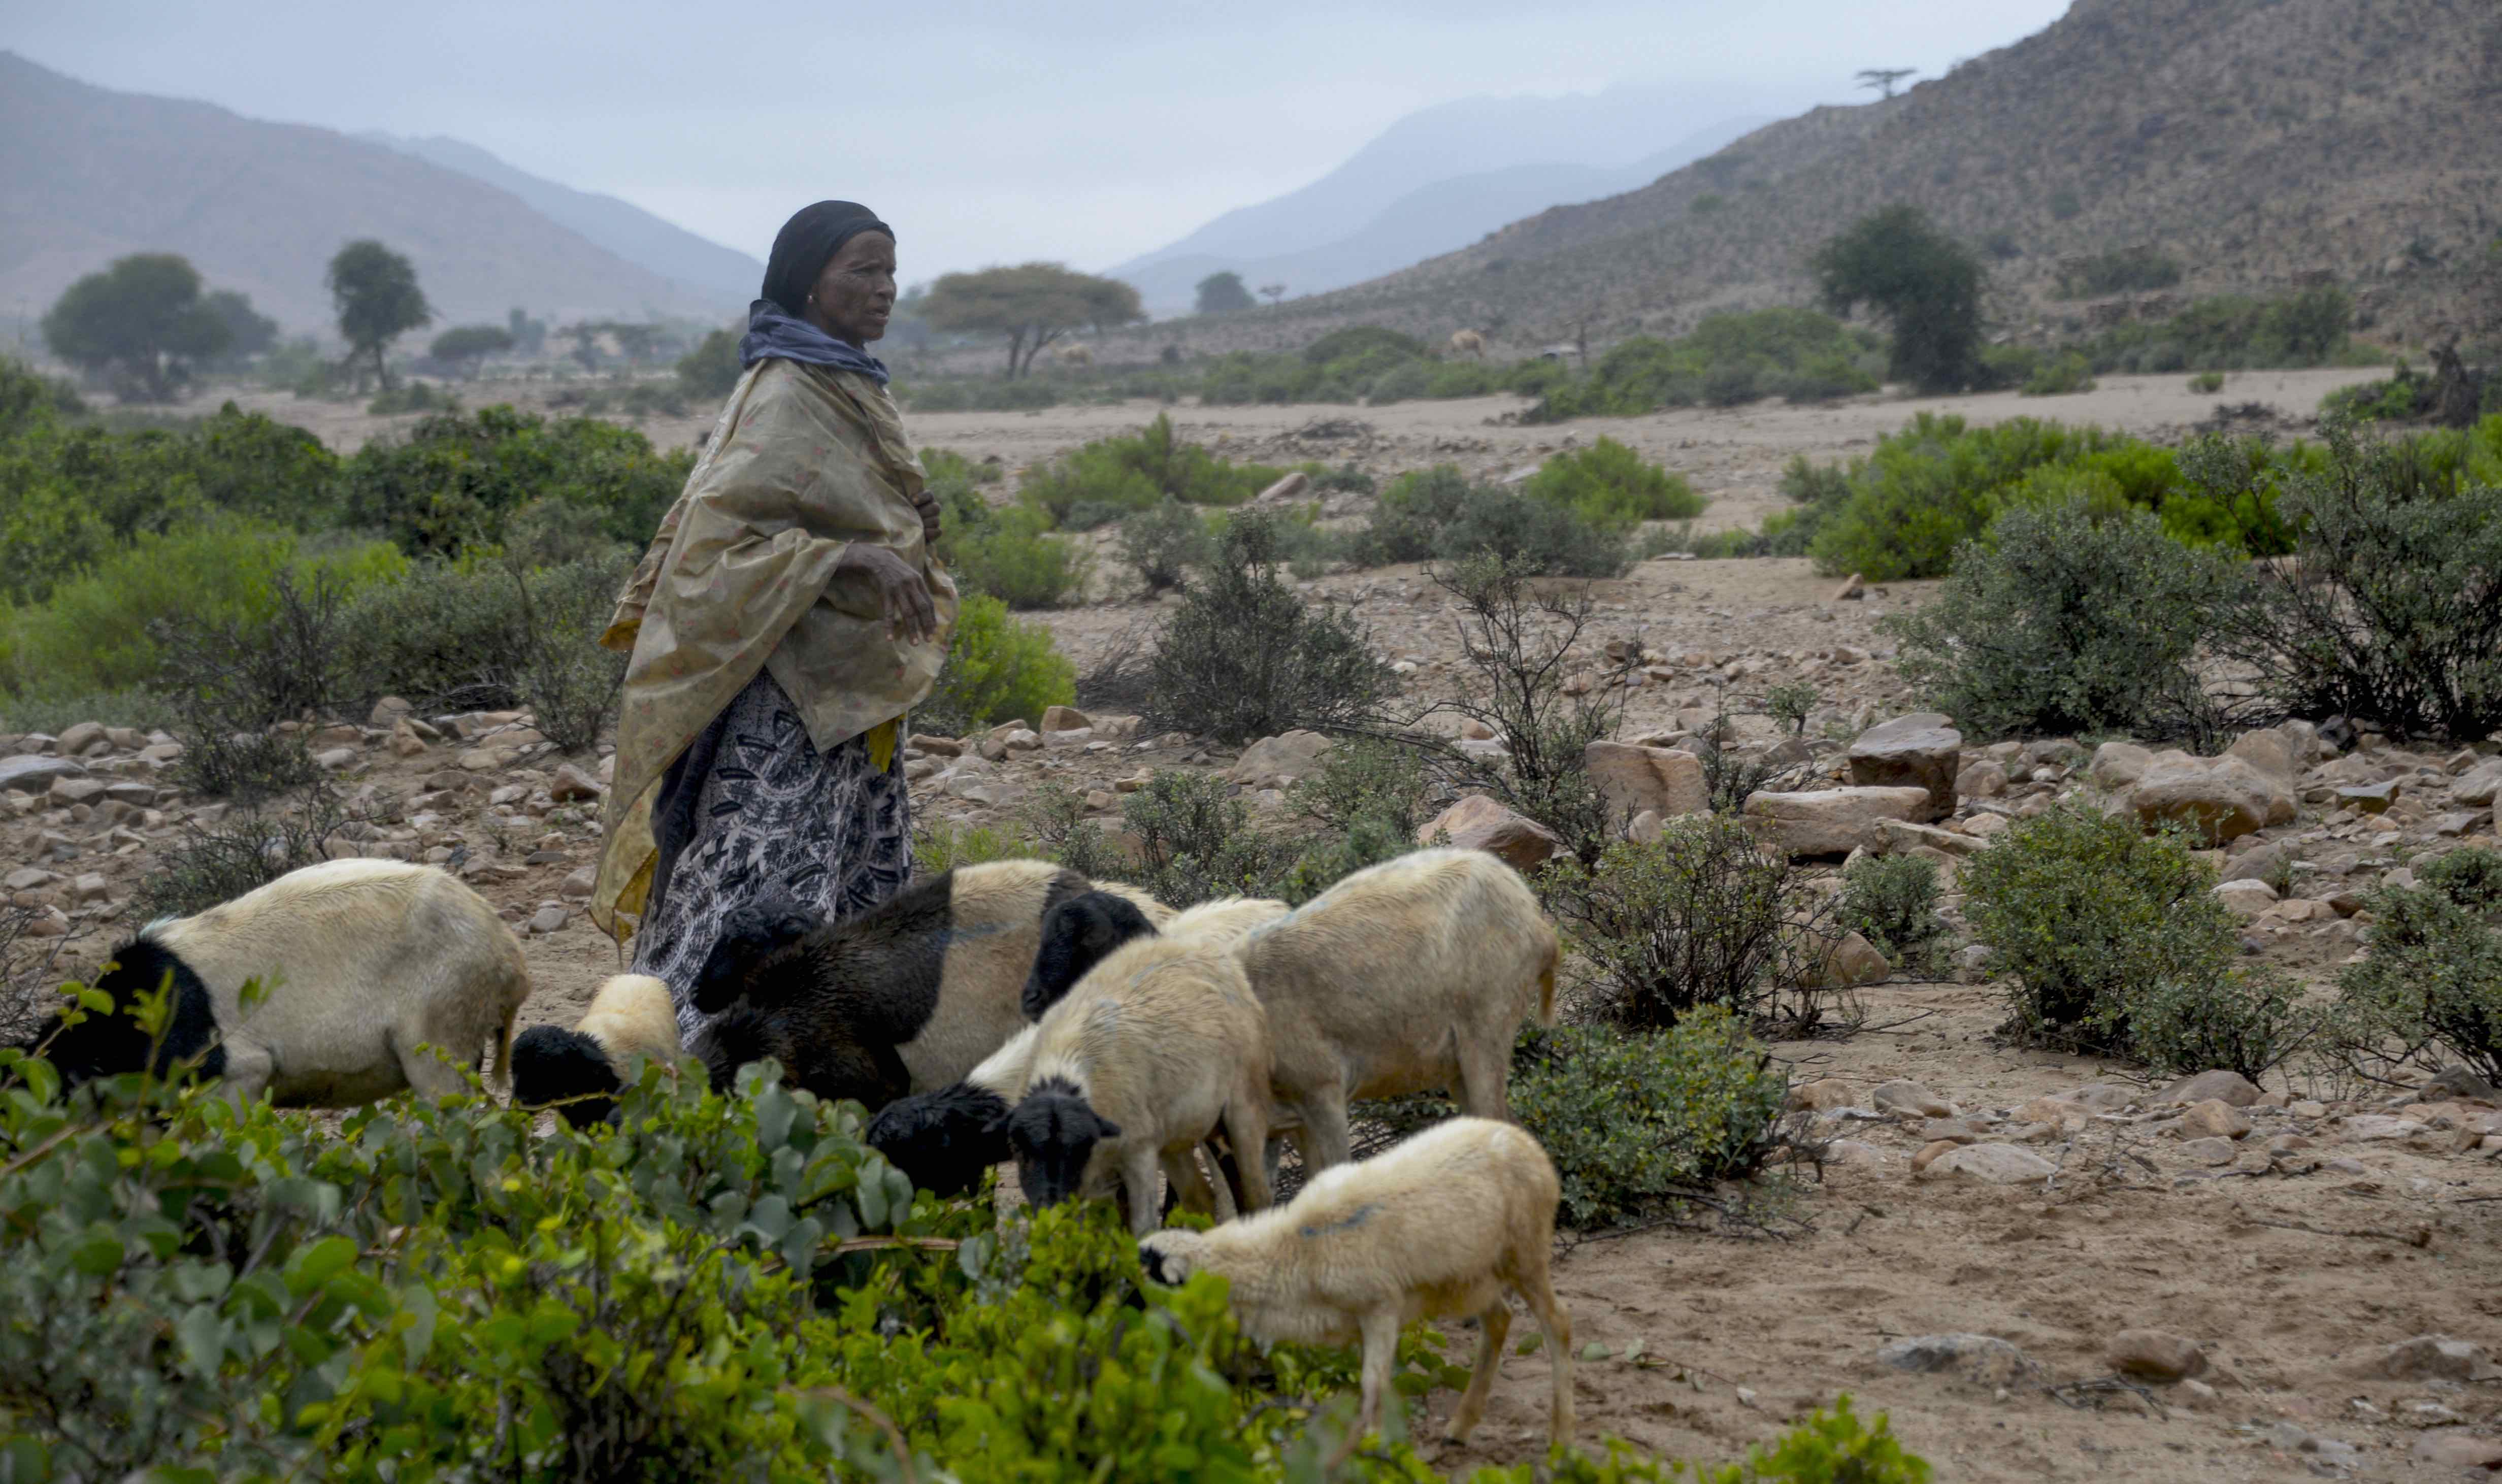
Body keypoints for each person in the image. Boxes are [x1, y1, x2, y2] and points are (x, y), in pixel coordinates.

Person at [588, 200, 956, 1037]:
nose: (883, 289)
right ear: (809, 283)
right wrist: (853, 556)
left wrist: (904, 528)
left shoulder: (846, 380)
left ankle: (833, 1076)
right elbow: (715, 550)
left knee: (851, 899)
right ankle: (671, 1061)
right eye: (861, 270)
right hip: (785, 706)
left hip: (847, 697)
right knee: (750, 899)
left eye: (890, 270)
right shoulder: (787, 388)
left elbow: (845, 508)